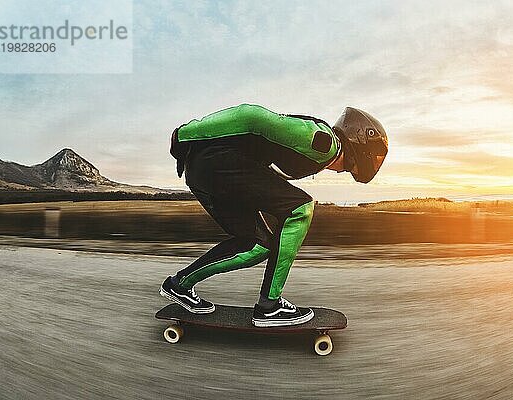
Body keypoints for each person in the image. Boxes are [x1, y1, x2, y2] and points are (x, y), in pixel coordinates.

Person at [161, 104, 388, 327]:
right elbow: (251, 116)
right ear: (361, 143)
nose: (373, 163)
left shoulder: (322, 153)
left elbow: (262, 173)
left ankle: (178, 285)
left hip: (206, 171)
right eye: (375, 157)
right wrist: (185, 133)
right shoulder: (324, 142)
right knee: (301, 208)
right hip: (217, 163)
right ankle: (270, 306)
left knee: (256, 246)